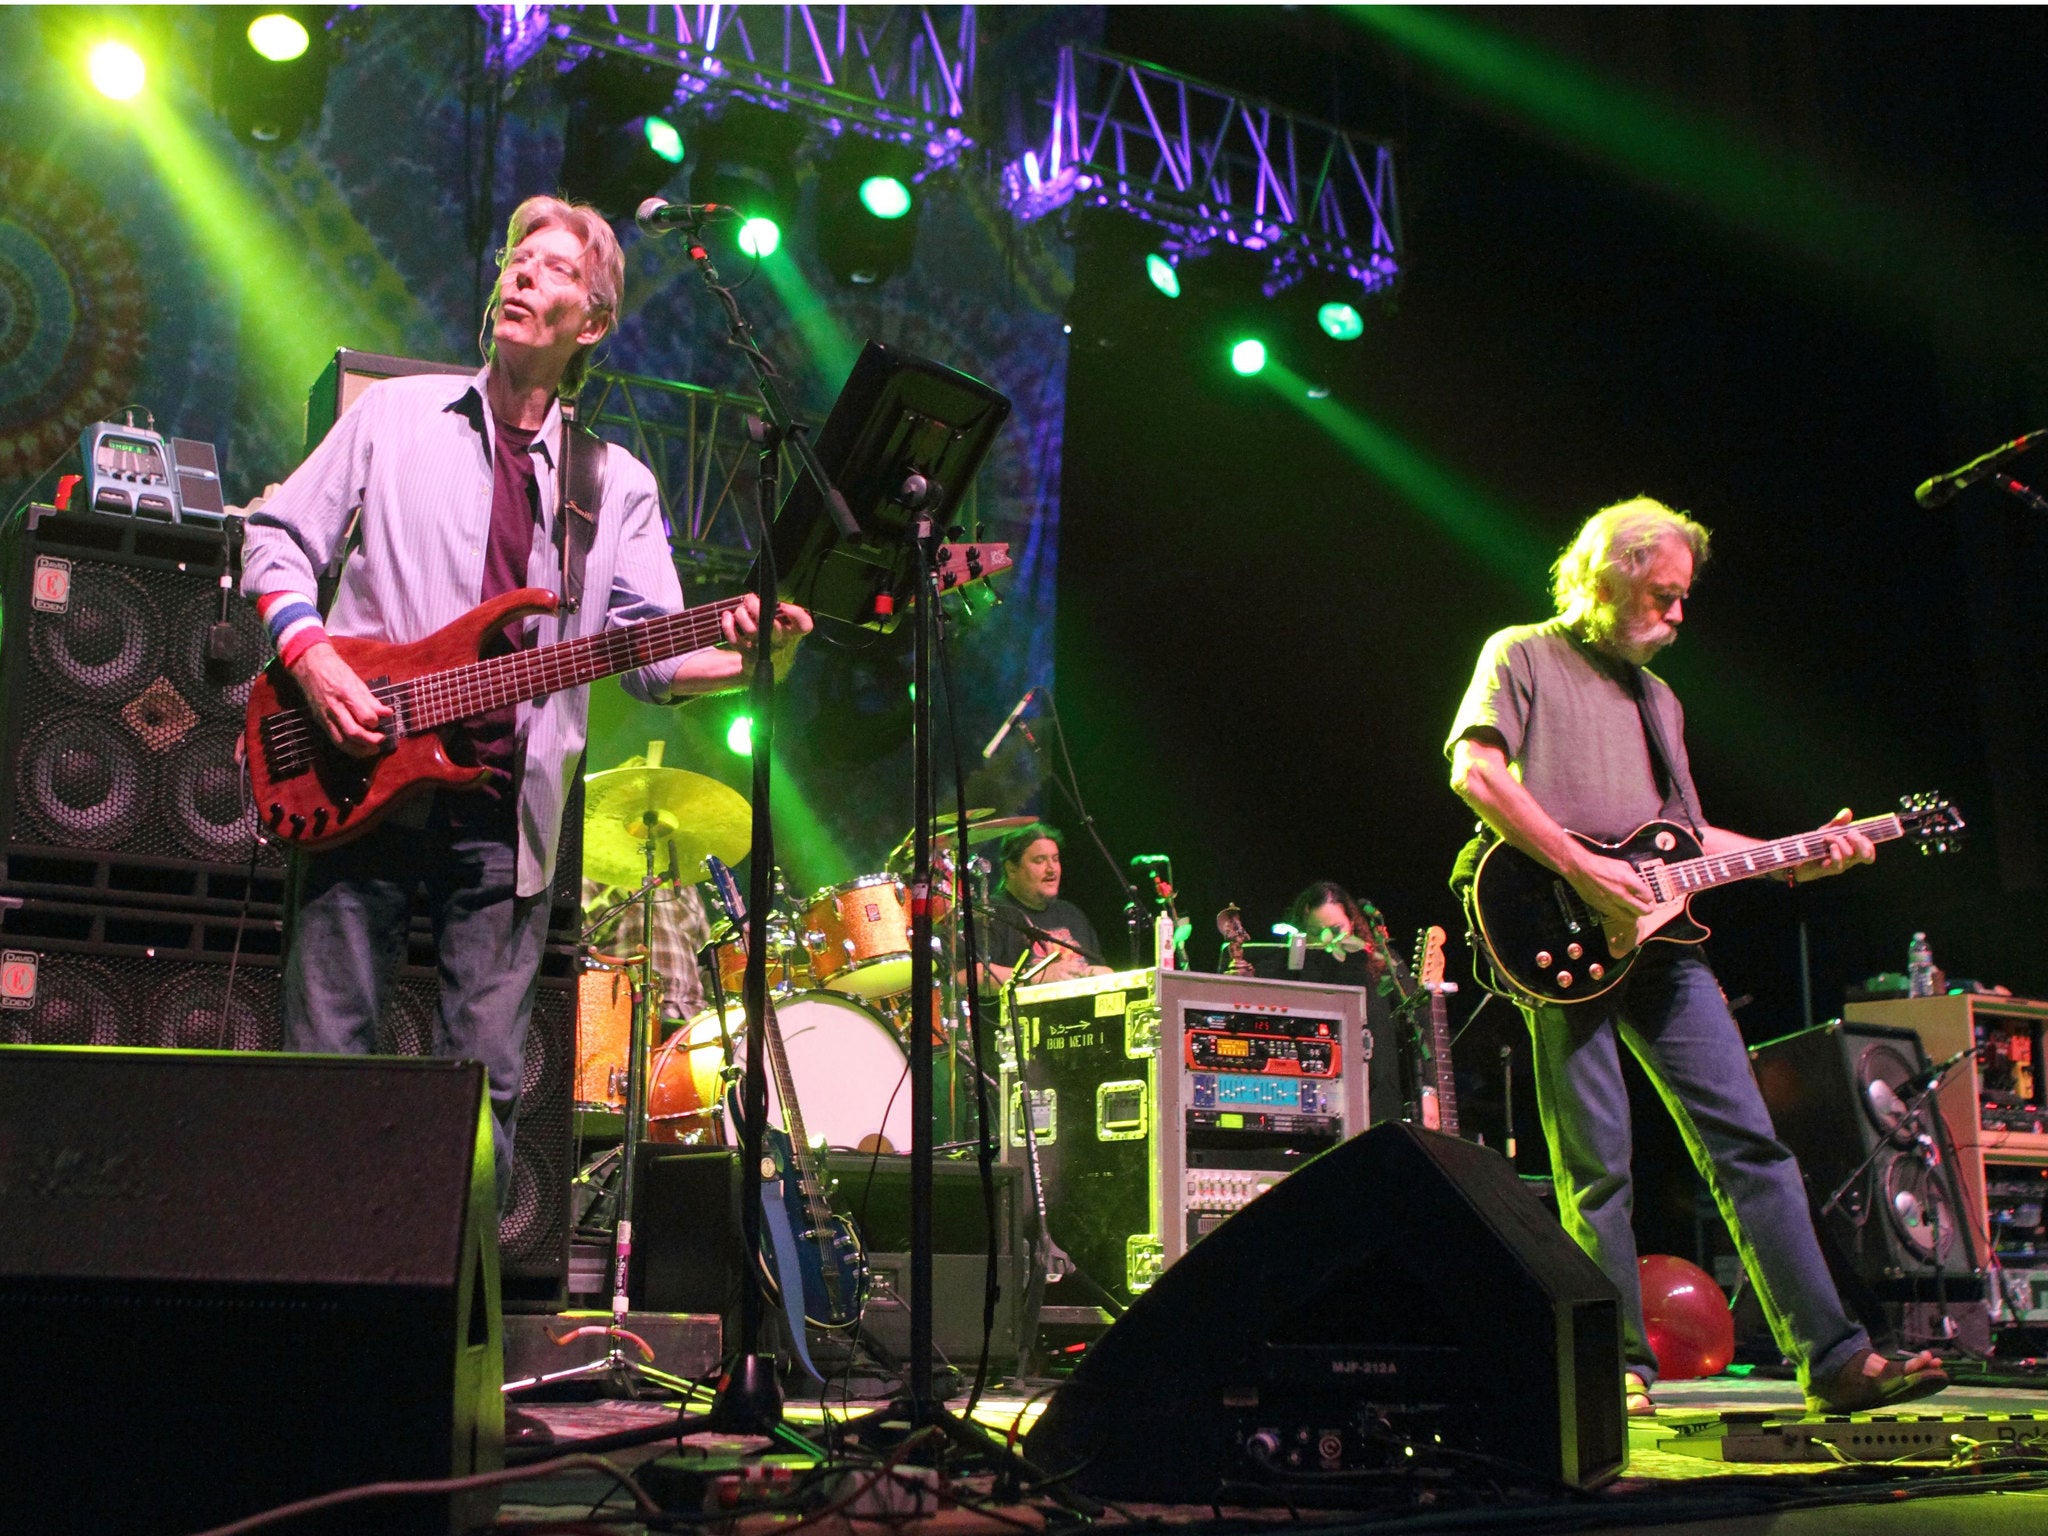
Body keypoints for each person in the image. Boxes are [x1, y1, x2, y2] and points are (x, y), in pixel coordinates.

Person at [242, 195, 811, 1206]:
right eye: (515, 259)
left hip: (504, 819)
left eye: (550, 269)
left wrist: (749, 656)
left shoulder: (614, 482)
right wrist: (317, 661)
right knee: (325, 1057)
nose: (519, 276)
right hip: (350, 774)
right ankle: (310, 1306)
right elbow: (276, 537)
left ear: (590, 323)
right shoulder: (395, 415)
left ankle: (440, 1305)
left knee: (486, 1093)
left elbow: (650, 658)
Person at [1446, 495, 1945, 1418]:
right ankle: (1612, 1368)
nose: (1679, 618)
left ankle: (1834, 1359)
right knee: (1598, 1164)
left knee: (1751, 1144)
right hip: (1554, 929)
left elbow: (1683, 837)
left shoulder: (1659, 700)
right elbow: (1476, 771)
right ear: (1612, 573)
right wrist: (1584, 870)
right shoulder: (1520, 652)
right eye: (1666, 596)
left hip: (1665, 944)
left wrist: (1797, 857)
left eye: (1684, 599)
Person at [977, 822, 1112, 991]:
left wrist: (1100, 974)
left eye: (1055, 859)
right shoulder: (989, 913)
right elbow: (966, 975)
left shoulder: (1071, 914)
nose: (1051, 869)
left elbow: (1095, 966)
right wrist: (1041, 976)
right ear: (1011, 868)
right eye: (1039, 860)